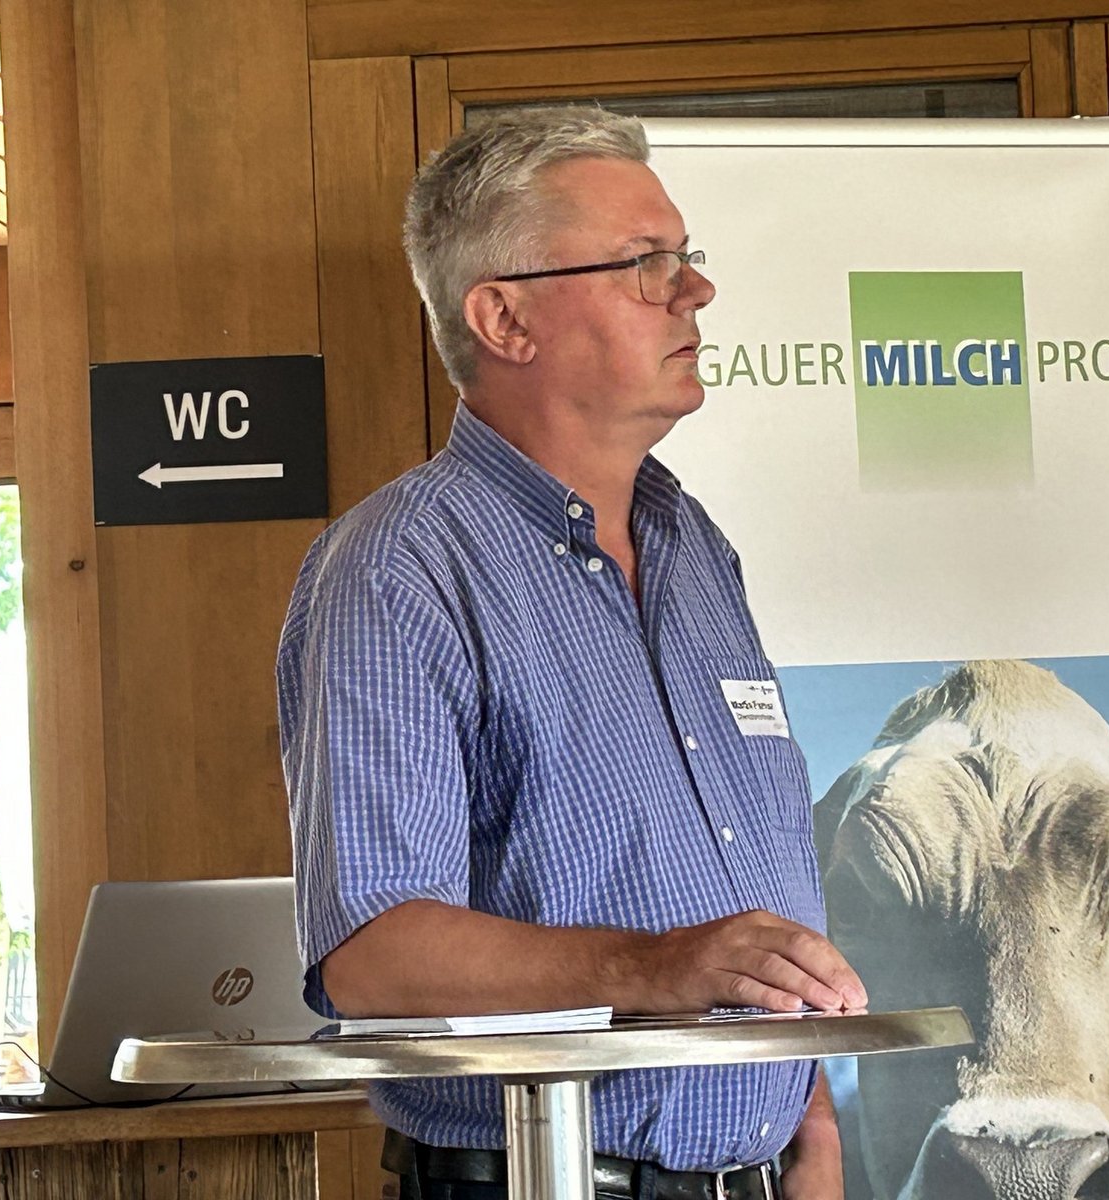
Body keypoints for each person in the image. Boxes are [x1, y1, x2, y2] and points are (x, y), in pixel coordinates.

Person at [277, 105, 866, 1200]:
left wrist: (813, 1130)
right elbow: (374, 957)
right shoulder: (399, 569)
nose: (696, 290)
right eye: (646, 264)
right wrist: (653, 966)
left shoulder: (695, 550)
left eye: (685, 256)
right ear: (504, 318)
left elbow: (762, 892)